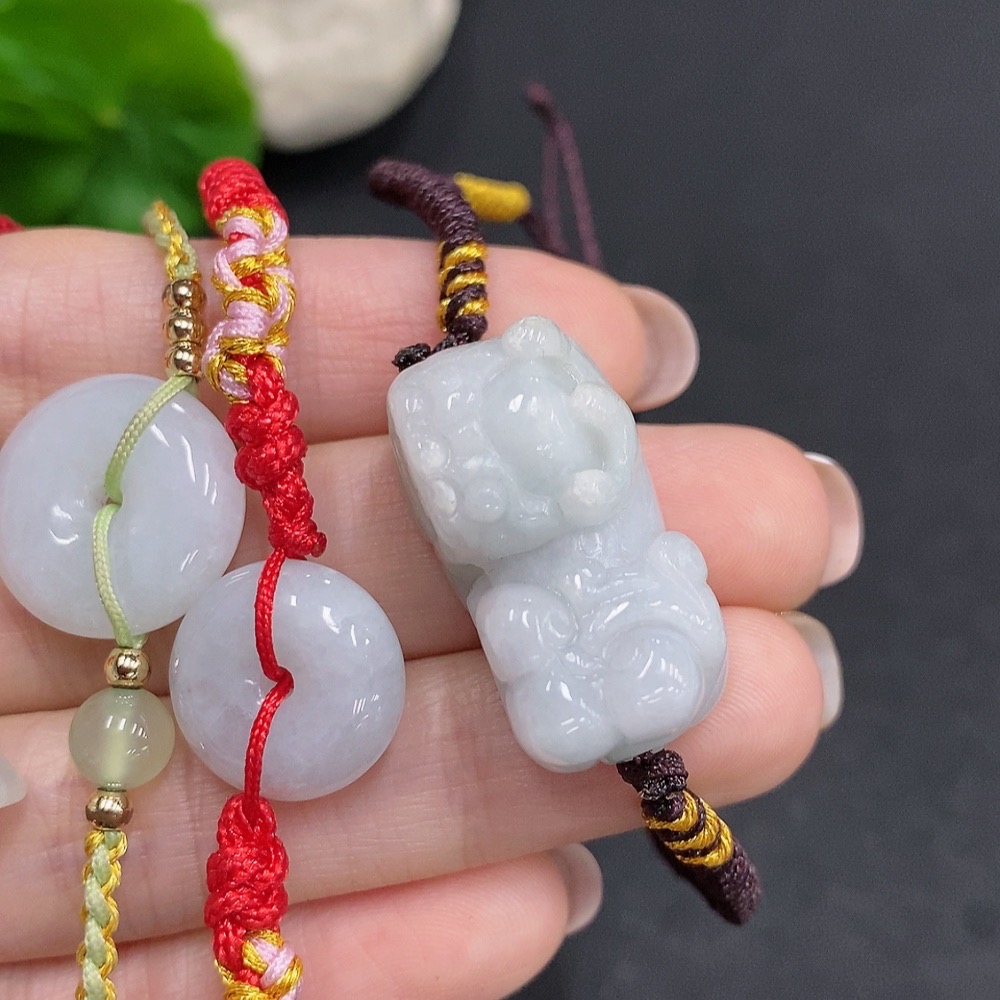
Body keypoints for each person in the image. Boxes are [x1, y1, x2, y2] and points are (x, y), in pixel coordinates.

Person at [0, 226, 860, 997]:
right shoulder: (488, 531)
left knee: (620, 648)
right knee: (537, 654)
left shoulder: (582, 455)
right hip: (541, 636)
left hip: (626, 603)